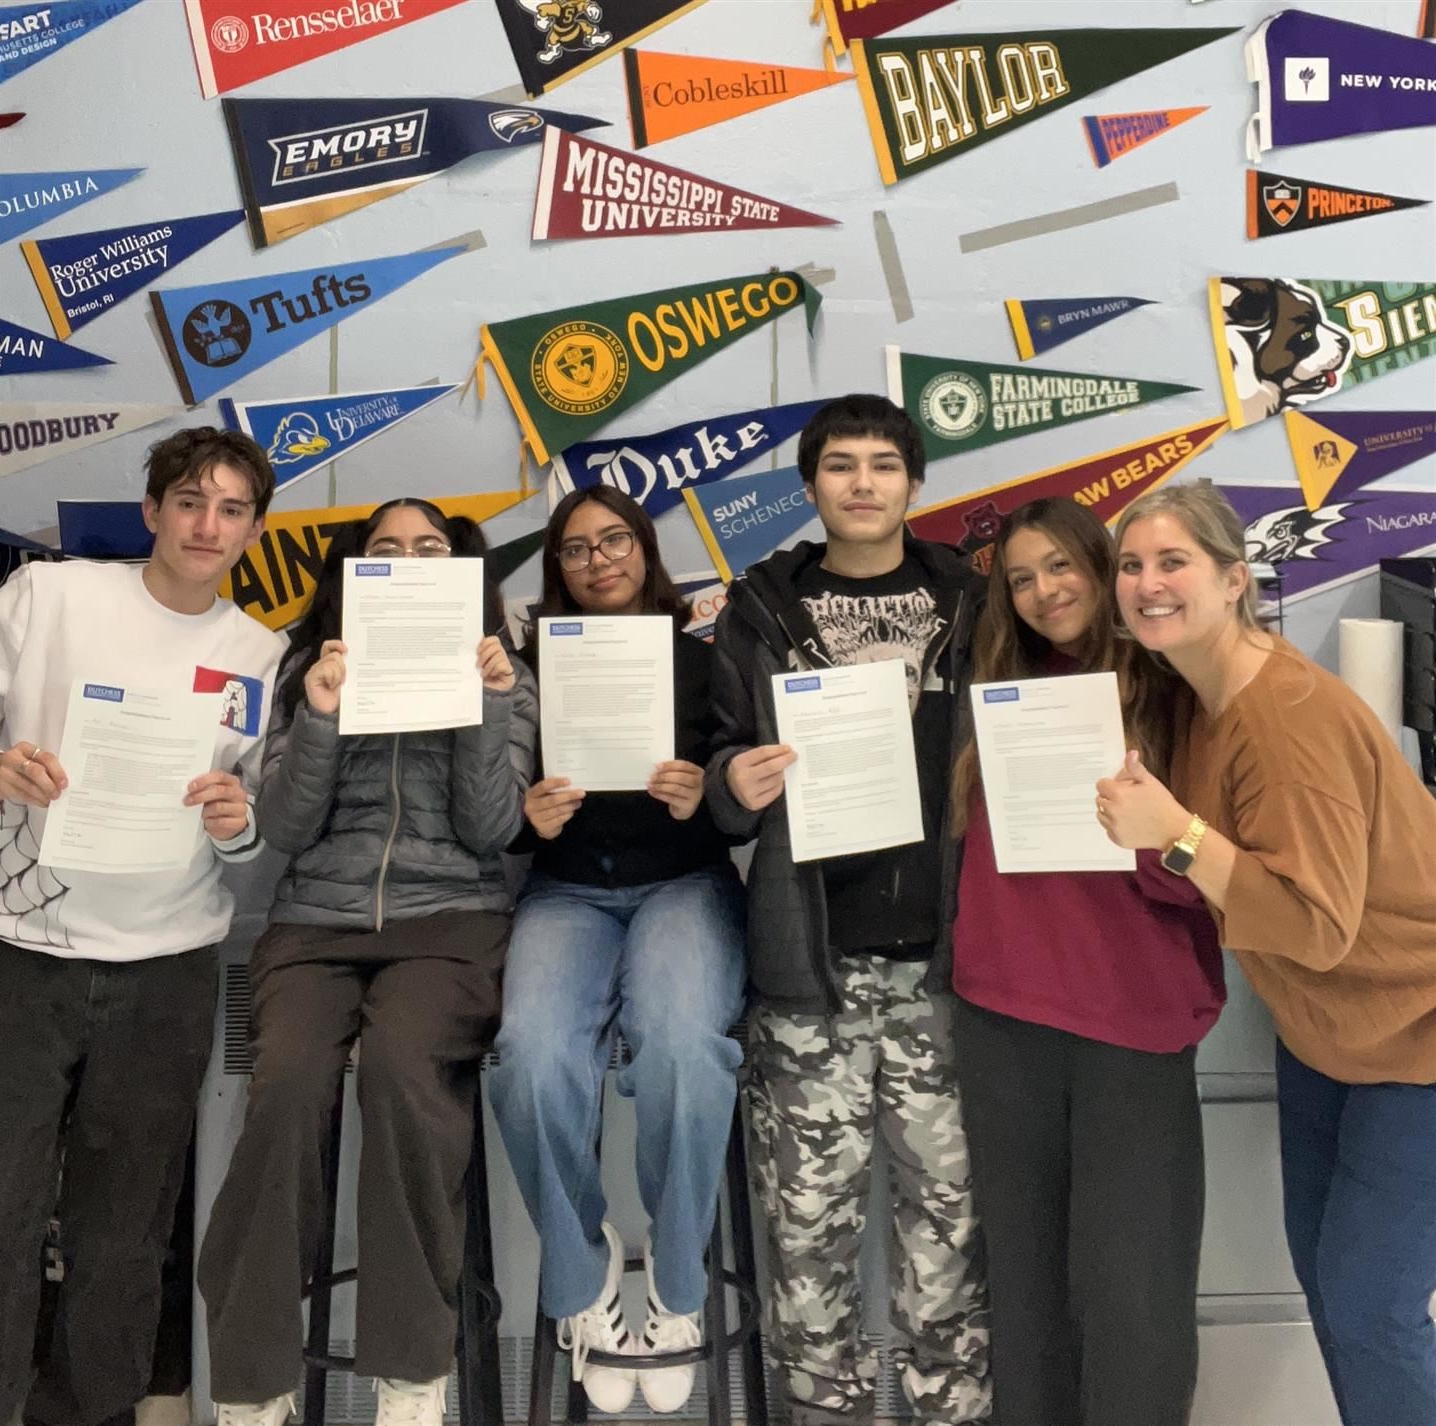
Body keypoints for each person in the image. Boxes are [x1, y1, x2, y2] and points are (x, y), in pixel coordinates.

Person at [1101, 482, 1436, 1426]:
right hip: (1328, 1035)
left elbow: (1315, 926)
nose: (1147, 583)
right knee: (1334, 1289)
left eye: (1174, 563)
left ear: (1235, 579)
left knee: (1370, 1304)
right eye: (1132, 564)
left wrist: (1176, 834)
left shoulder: (1284, 720)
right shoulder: (1199, 695)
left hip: (1418, 1036)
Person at [198, 497, 536, 1426]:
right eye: (386, 550)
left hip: (451, 923)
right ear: (356, 574)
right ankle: (252, 1382)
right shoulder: (311, 668)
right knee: (291, 1086)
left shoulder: (506, 672)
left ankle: (412, 1369)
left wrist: (489, 702)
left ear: (459, 570)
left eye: (429, 549)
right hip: (313, 926)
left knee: (401, 1075)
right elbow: (289, 831)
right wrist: (318, 716)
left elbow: (493, 829)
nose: (409, 559)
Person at [704, 394, 991, 1426]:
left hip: (946, 969)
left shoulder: (972, 600)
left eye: (883, 464)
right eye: (840, 466)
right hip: (811, 965)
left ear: (914, 483)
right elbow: (712, 770)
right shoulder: (761, 609)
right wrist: (736, 779)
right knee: (807, 1231)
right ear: (811, 483)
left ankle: (948, 1414)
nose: (862, 483)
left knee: (948, 1232)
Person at [0, 427, 285, 1426]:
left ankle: (89, 1412)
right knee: (2, 1206)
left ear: (252, 529)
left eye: (233, 508)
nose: (209, 524)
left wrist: (236, 824)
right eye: (191, 500)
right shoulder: (47, 597)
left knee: (124, 1229)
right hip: (20, 950)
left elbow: (252, 838)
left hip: (168, 963)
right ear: (154, 509)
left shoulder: (260, 653)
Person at [947, 498, 1225, 1426]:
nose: (1042, 592)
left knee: (1133, 1296)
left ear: (1104, 568)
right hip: (1002, 1015)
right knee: (1025, 1293)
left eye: (1060, 567)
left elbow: (1220, 878)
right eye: (1020, 579)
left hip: (1130, 1021)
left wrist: (1154, 836)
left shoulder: (1173, 692)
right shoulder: (992, 688)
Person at [487, 486, 745, 1416]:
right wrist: (526, 821)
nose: (598, 560)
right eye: (575, 550)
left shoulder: (704, 656)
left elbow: (742, 780)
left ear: (645, 551)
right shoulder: (523, 668)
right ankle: (581, 1276)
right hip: (567, 892)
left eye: (615, 541)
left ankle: (678, 1289)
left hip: (685, 883)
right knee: (529, 1058)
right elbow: (491, 806)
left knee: (682, 1047)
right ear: (555, 570)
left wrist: (703, 796)